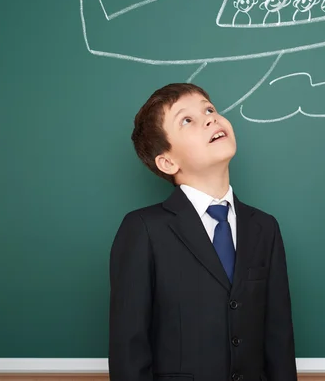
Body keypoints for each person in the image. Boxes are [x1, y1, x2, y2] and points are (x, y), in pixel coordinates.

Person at [109, 83, 297, 381]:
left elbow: (279, 337)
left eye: (209, 109)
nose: (210, 118)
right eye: (188, 120)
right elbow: (129, 347)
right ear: (168, 161)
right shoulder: (144, 229)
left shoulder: (264, 227)